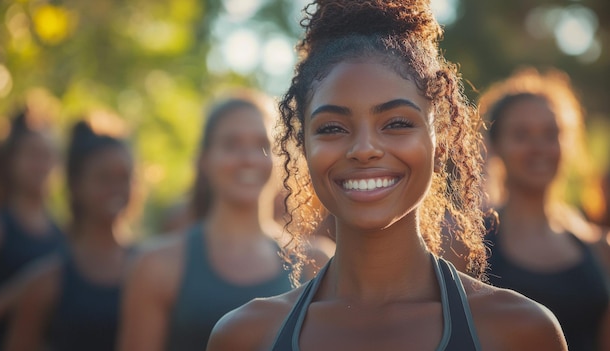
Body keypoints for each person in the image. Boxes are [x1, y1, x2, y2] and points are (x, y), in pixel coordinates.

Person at [207, 1, 567, 350]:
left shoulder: (519, 331)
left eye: (396, 123)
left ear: (439, 143)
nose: (364, 149)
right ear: (303, 147)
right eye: (332, 128)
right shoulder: (247, 336)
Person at [117, 92, 326, 351]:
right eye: (231, 144)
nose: (248, 159)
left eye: (262, 145)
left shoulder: (317, 262)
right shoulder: (155, 266)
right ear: (204, 160)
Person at [479, 67, 610, 351]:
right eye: (521, 134)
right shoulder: (470, 246)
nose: (538, 147)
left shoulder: (598, 247)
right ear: (496, 144)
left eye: (551, 134)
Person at [3, 119, 135, 351]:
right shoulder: (47, 279)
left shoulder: (149, 267)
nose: (116, 188)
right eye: (103, 178)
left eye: (124, 178)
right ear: (76, 185)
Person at [0, 111, 64, 350]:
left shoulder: (64, 236)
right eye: (32, 155)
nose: (40, 165)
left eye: (47, 156)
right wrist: (22, 292)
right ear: (11, 161)